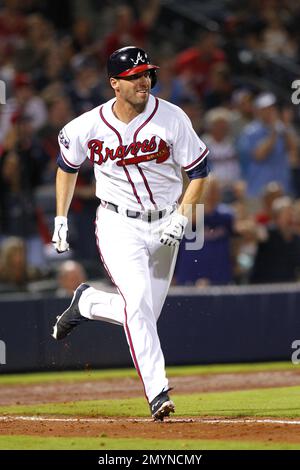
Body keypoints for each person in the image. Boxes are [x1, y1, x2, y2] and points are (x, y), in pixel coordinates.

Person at [51, 46, 209, 421]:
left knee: (143, 315)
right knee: (137, 303)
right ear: (114, 84)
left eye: (147, 73)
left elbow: (200, 173)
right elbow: (66, 166)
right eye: (135, 76)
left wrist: (183, 217)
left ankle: (88, 303)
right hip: (118, 223)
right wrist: (60, 217)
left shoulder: (172, 118)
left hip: (166, 223)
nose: (144, 81)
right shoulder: (86, 125)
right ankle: (158, 394)